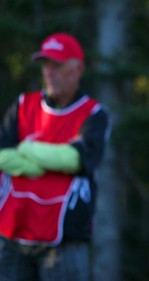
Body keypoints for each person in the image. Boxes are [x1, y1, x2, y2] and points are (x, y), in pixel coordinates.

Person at [0, 32, 110, 281]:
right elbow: (2, 155)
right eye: (46, 65)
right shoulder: (23, 104)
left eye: (57, 65)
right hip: (13, 233)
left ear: (78, 69)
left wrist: (26, 149)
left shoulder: (93, 114)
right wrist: (46, 160)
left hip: (64, 239)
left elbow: (74, 160)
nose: (49, 72)